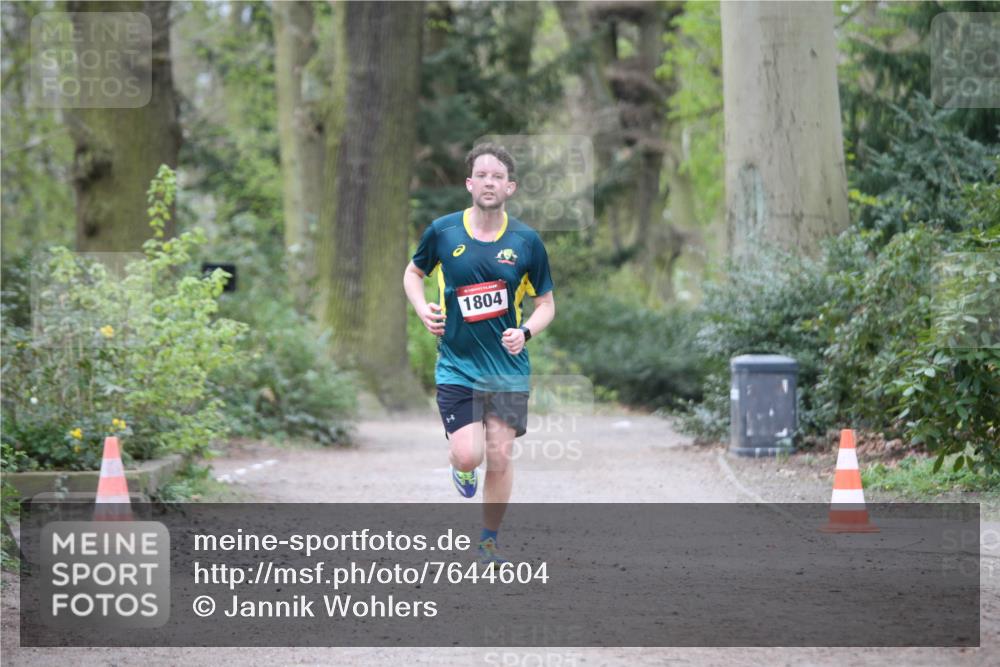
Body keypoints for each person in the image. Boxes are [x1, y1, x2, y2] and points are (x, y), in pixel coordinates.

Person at [402, 143, 555, 565]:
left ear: (510, 187)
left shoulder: (526, 241)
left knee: (500, 455)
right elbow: (413, 273)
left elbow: (546, 305)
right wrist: (422, 308)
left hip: (507, 368)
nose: (490, 182)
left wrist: (525, 331)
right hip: (457, 365)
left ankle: (488, 542)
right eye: (482, 175)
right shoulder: (443, 232)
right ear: (469, 184)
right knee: (470, 453)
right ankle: (462, 466)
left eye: (497, 176)